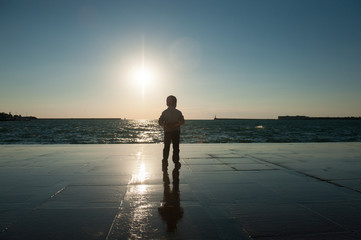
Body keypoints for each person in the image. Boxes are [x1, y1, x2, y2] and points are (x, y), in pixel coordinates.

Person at [158, 95, 185, 170]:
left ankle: (165, 160)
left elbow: (160, 121)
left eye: (167, 100)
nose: (166, 101)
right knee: (176, 147)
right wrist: (175, 125)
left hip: (167, 132)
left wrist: (166, 126)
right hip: (176, 131)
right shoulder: (178, 112)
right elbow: (182, 121)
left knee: (166, 147)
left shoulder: (164, 112)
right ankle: (176, 161)